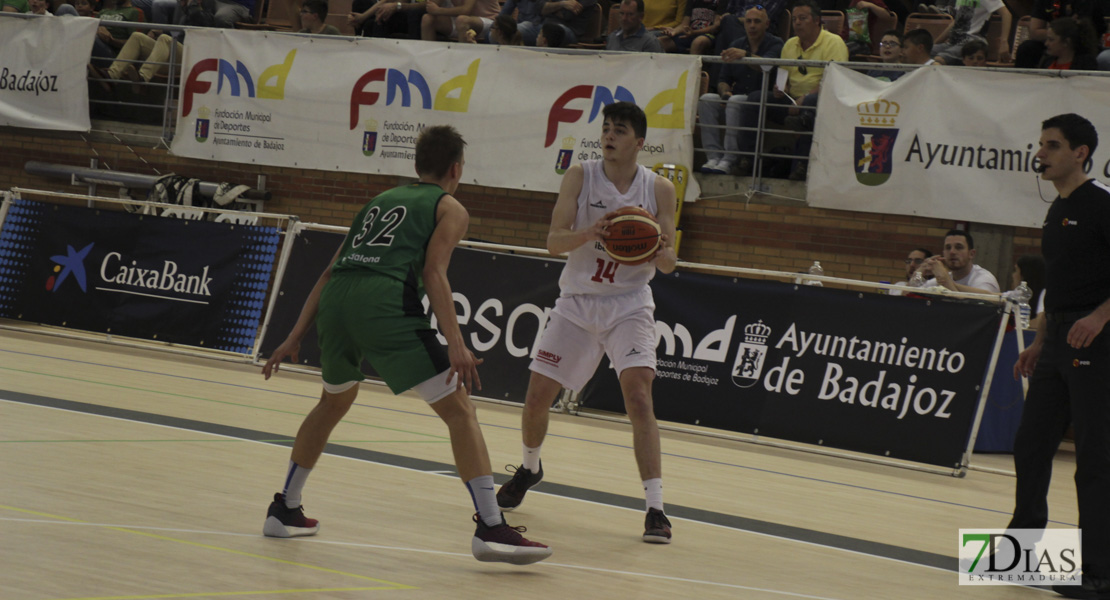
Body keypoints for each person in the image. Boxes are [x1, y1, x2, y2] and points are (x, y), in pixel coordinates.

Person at [261, 125, 553, 566]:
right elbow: (435, 272)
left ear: (416, 165)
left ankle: (284, 507)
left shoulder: (378, 201)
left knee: (331, 404)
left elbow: (327, 272)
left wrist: (294, 335)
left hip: (338, 301)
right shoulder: (449, 207)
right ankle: (491, 526)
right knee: (460, 410)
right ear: (457, 168)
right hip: (383, 302)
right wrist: (456, 343)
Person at [495, 102, 679, 543]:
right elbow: (554, 242)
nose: (609, 136)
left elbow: (671, 261)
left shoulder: (661, 189)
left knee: (638, 397)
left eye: (619, 130)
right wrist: (592, 232)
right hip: (577, 302)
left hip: (630, 304)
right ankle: (530, 467)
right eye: (606, 129)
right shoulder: (581, 175)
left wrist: (657, 250)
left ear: (639, 141)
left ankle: (655, 508)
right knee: (538, 397)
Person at [1010, 113, 1110, 600]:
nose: (1042, 152)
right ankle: (1021, 551)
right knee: (1030, 444)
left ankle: (1097, 570)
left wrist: (1100, 317)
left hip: (1096, 340)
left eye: (1052, 145)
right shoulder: (1057, 208)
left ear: (1080, 153)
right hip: (1057, 340)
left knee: (1093, 457)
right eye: (1041, 143)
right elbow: (1056, 282)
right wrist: (1039, 339)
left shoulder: (1101, 204)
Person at [732, 0, 848, 180]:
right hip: (792, 100)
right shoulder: (790, 44)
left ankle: (800, 166)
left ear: (817, 21)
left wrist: (805, 97)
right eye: (794, 19)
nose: (797, 23)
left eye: (802, 18)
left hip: (821, 101)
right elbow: (783, 75)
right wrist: (781, 88)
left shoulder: (834, 42)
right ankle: (747, 160)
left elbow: (834, 79)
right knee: (756, 98)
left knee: (810, 104)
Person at [697, 6, 783, 174]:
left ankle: (730, 159)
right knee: (707, 99)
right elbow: (723, 80)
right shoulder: (736, 44)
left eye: (757, 21)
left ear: (767, 24)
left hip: (759, 103)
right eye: (748, 21)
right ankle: (713, 157)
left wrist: (745, 55)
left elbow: (765, 65)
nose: (752, 25)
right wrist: (725, 92)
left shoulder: (776, 43)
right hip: (735, 102)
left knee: (736, 101)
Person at [1014, 0, 1105, 68]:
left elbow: (1080, 30)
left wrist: (1057, 33)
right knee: (1027, 48)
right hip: (1056, 40)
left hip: (1082, 43)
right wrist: (1056, 35)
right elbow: (1034, 32)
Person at [915, 229, 1000, 293]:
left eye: (959, 247)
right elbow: (907, 294)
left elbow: (968, 309)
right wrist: (920, 271)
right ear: (943, 253)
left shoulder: (984, 279)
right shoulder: (942, 278)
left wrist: (945, 280)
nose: (952, 252)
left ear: (971, 254)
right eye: (948, 248)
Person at [928, 0, 1009, 65]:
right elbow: (956, 22)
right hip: (954, 41)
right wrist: (934, 44)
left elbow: (1006, 14)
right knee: (923, 52)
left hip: (973, 41)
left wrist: (1004, 42)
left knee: (939, 60)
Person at [656, 0, 727, 54]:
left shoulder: (721, 2)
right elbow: (684, 24)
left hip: (709, 35)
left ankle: (693, 72)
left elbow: (715, 27)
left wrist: (694, 32)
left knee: (698, 42)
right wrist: (674, 31)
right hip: (690, 34)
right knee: (660, 41)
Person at [420, 0, 499, 42]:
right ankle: (428, 59)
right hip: (463, 22)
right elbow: (431, 5)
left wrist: (438, 10)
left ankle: (463, 61)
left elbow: (466, 10)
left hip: (489, 22)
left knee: (462, 20)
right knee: (427, 18)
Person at [349, 0, 425, 40]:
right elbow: (390, 1)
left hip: (423, 15)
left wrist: (398, 6)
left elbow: (432, 4)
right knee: (377, 20)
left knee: (414, 13)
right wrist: (362, 17)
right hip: (407, 12)